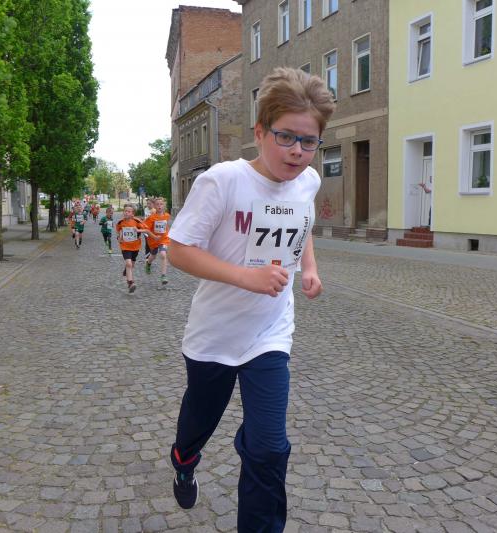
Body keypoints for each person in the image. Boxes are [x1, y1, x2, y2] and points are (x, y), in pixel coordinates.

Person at [166, 67, 335, 532]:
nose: (297, 151)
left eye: (309, 141)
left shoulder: (308, 181)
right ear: (260, 132)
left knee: (269, 447)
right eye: (286, 137)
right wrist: (245, 277)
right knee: (198, 423)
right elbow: (178, 250)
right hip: (215, 336)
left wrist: (309, 268)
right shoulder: (223, 181)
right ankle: (184, 459)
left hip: (269, 334)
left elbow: (302, 226)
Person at [115, 204, 147, 293]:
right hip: (125, 246)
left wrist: (138, 231)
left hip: (135, 246)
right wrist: (119, 237)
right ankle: (130, 282)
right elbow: (118, 231)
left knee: (131, 264)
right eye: (125, 211)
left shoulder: (136, 221)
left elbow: (145, 229)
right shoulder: (120, 222)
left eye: (129, 211)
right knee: (129, 263)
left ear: (133, 214)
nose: (126, 213)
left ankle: (126, 270)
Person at [143, 197, 171, 285]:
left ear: (164, 206)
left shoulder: (167, 215)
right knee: (153, 256)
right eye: (157, 204)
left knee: (163, 254)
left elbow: (166, 226)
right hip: (154, 241)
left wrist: (168, 234)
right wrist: (154, 236)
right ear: (154, 206)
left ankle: (163, 275)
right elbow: (145, 229)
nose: (159, 206)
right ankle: (148, 263)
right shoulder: (151, 218)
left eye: (161, 204)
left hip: (164, 240)